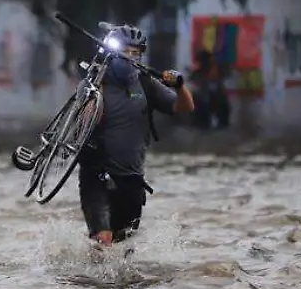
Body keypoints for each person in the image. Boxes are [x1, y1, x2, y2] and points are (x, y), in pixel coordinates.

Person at [16, 24, 195, 246]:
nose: (130, 57)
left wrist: (179, 86)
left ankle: (95, 266)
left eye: (135, 52)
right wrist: (94, 93)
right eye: (125, 51)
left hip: (132, 178)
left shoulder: (145, 83)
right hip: (97, 175)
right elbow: (83, 123)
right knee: (103, 239)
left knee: (123, 248)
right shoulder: (92, 84)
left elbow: (185, 107)